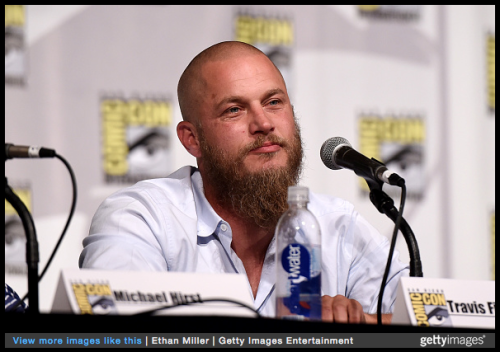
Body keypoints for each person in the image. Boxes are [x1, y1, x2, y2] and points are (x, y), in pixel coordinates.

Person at [79, 41, 409, 324]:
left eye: (274, 102)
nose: (263, 123)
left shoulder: (338, 225)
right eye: (234, 110)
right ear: (192, 139)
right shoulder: (142, 219)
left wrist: (360, 322)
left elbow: (435, 322)